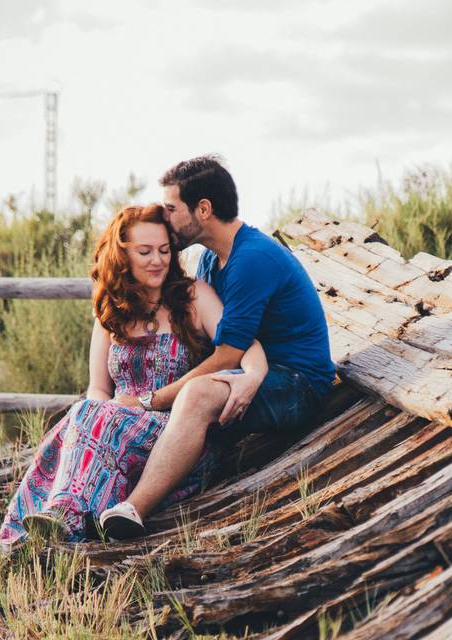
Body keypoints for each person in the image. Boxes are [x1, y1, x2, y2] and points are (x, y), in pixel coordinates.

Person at [0, 203, 268, 548]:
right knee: (78, 418)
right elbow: (98, 388)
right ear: (122, 255)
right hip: (114, 429)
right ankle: (19, 541)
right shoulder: (111, 310)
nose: (158, 260)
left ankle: (66, 517)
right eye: (145, 251)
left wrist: (254, 374)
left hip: (174, 433)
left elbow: (242, 343)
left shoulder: (193, 296)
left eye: (165, 250)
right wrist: (95, 416)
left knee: (93, 418)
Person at [99, 155, 336, 540]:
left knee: (194, 394)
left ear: (203, 209)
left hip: (297, 384)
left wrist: (150, 400)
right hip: (256, 371)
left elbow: (227, 354)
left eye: (171, 208)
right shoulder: (212, 258)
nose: (164, 214)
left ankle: (134, 510)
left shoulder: (252, 259)